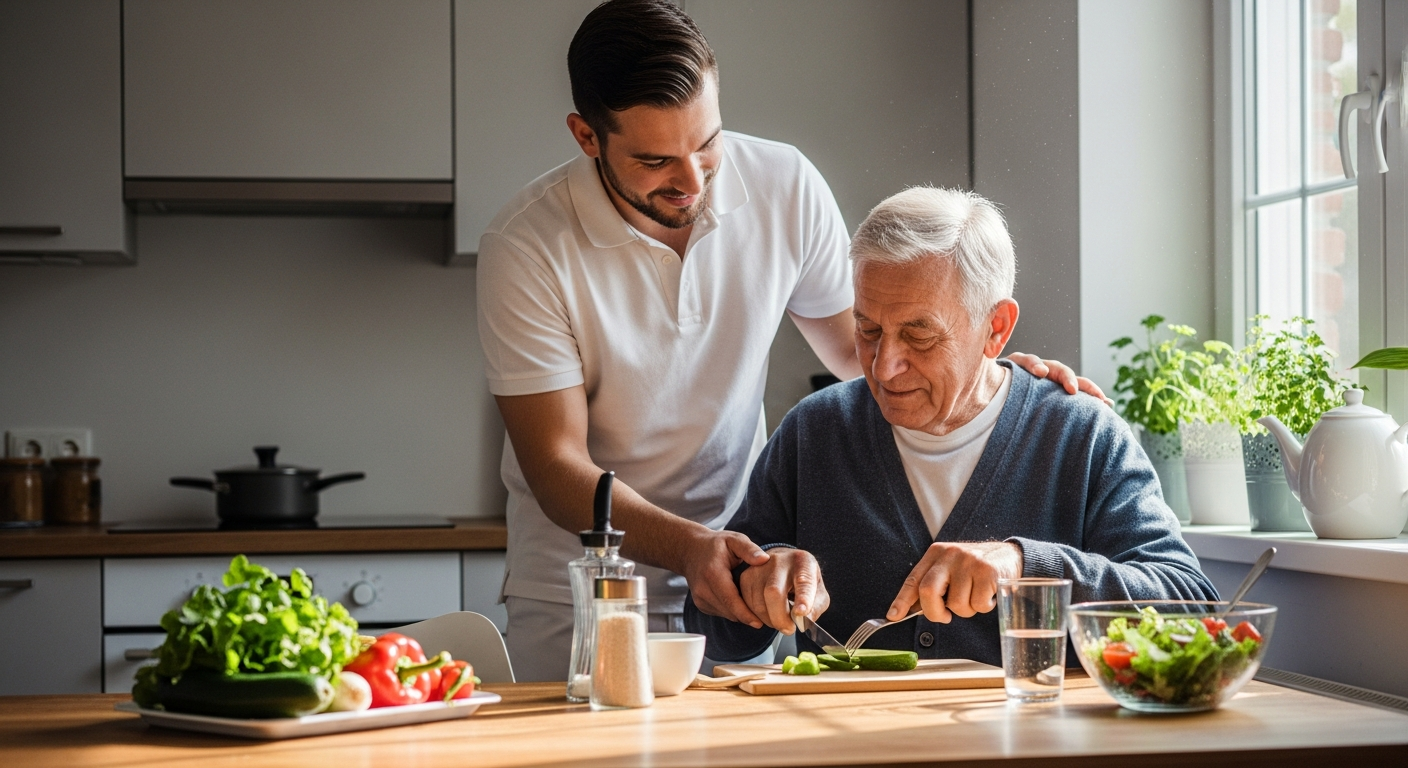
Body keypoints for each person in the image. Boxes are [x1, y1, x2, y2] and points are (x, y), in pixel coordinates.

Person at [477, 0, 1104, 681]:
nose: (693, 182)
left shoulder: (783, 184)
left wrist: (986, 367)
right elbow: (556, 467)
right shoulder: (527, 246)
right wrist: (693, 548)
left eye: (707, 144)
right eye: (657, 160)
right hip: (586, 585)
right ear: (587, 136)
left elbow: (862, 352)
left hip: (744, 582)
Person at [684, 187, 1218, 667]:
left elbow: (1192, 608)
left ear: (995, 329)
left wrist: (1022, 565)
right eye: (868, 329)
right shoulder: (815, 432)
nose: (883, 364)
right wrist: (753, 586)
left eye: (919, 335)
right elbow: (713, 632)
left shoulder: (1081, 434)